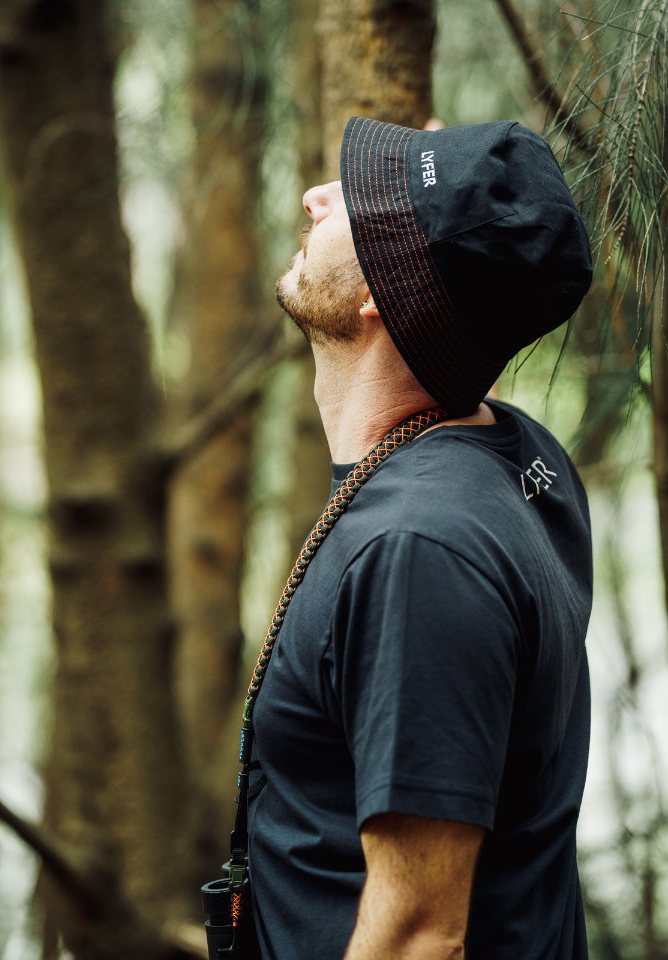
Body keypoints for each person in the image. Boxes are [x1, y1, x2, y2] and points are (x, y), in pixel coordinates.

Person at [247, 116, 594, 960]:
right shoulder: (517, 453)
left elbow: (416, 935)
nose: (315, 197)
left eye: (352, 202)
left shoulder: (419, 550)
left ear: (383, 295)